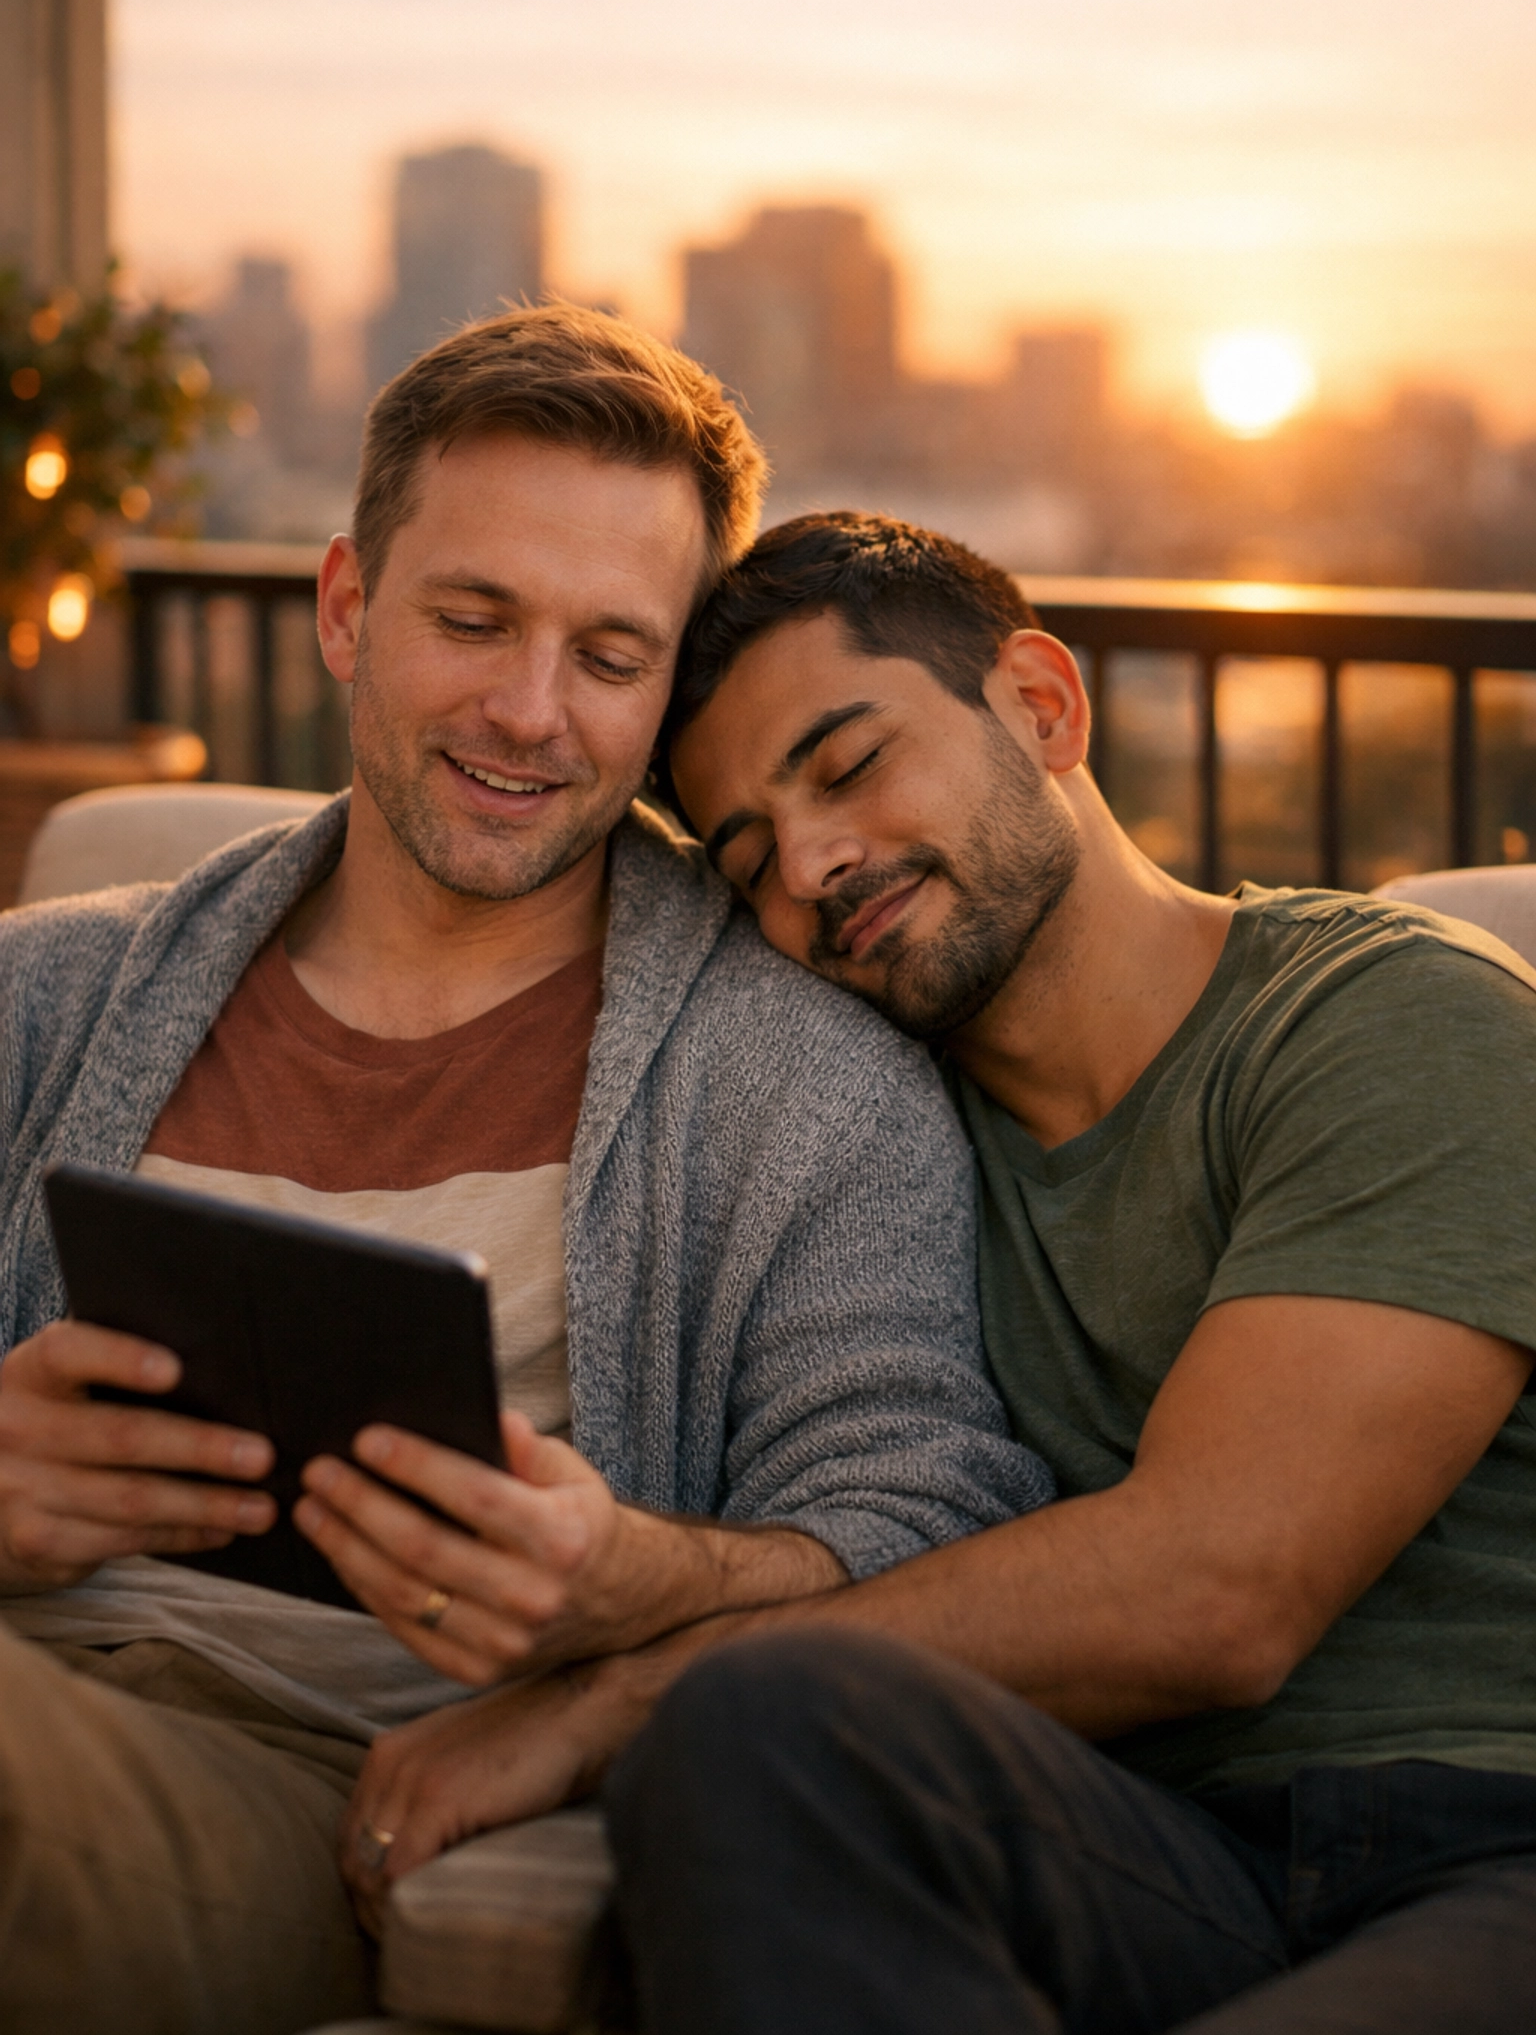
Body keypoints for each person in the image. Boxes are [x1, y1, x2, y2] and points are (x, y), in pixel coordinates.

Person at [0, 359, 1045, 2035]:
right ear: (347, 607)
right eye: (473, 621)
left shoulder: (802, 1091)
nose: (530, 712)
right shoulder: (40, 1001)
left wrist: (632, 1582)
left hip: (303, 1793)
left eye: (610, 656)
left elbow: (931, 1528)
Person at [544, 507, 1536, 2033]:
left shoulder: (1393, 1020)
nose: (809, 863)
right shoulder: (872, 1148)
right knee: (756, 1734)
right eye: (746, 858)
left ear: (1044, 705)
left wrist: (615, 1703)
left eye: (850, 765)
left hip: (1486, 1834)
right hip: (1151, 1858)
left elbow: (1223, 1590)